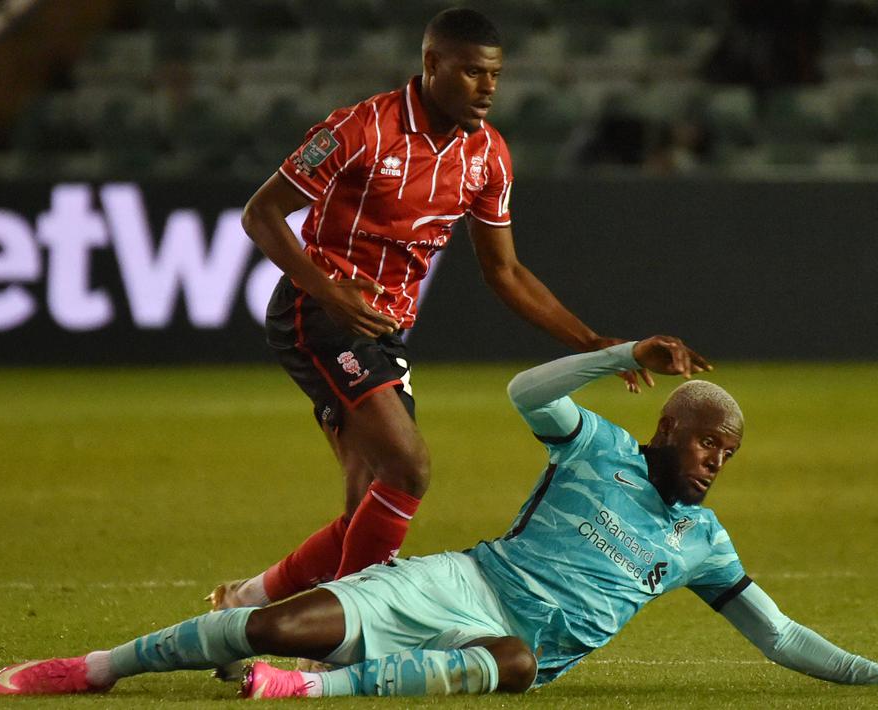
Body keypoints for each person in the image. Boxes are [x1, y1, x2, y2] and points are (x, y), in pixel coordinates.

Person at [0, 336, 878, 698]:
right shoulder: (594, 443)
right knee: (268, 622)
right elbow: (522, 386)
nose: (718, 463)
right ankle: (93, 666)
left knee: (511, 665)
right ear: (669, 426)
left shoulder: (701, 544)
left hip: (507, 646)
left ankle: (304, 692)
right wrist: (613, 349)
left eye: (730, 455)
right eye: (711, 443)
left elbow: (780, 633)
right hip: (465, 580)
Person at [212, 6, 644, 648]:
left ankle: (243, 605)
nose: (488, 87)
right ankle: (342, 638)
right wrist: (328, 291)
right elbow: (262, 214)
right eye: (471, 72)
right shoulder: (361, 128)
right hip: (320, 313)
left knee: (370, 507)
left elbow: (506, 272)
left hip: (382, 334)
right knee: (409, 467)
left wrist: (590, 342)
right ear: (432, 64)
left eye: (494, 75)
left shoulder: (487, 155)